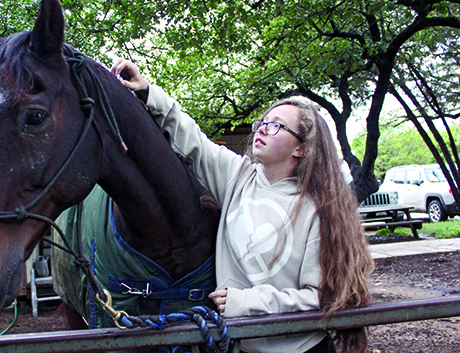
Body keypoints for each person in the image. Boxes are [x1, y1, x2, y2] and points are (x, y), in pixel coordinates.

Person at [110, 58, 374, 353]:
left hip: (300, 348)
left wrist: (247, 302)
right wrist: (147, 90)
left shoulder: (318, 209)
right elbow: (191, 137)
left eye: (277, 126)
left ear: (301, 148)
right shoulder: (237, 178)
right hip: (242, 347)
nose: (262, 129)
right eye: (263, 122)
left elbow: (320, 297)